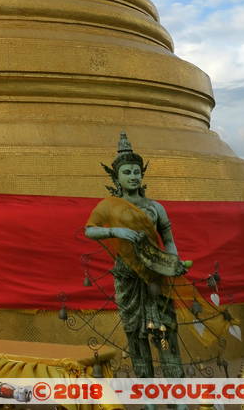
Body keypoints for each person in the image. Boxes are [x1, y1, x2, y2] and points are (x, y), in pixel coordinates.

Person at [84, 132, 189, 378]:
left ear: (142, 175)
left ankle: (176, 395)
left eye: (136, 172)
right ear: (117, 177)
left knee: (164, 333)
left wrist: (173, 263)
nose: (133, 177)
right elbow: (90, 230)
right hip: (128, 276)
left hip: (156, 274)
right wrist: (115, 230)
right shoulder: (108, 206)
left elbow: (169, 241)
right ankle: (148, 399)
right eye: (127, 172)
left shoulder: (155, 208)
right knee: (135, 335)